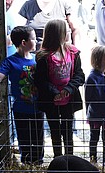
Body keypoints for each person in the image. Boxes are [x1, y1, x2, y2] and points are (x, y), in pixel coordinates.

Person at [0, 26, 44, 165]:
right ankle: (26, 162)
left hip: (38, 107)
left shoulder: (38, 58)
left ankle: (38, 162)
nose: (36, 41)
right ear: (24, 42)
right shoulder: (11, 61)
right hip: (21, 108)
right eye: (33, 38)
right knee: (24, 137)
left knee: (38, 137)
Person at [34, 19, 85, 158]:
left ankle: (69, 159)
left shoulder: (74, 53)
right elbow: (40, 80)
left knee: (68, 130)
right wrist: (55, 92)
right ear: (58, 34)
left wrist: (68, 89)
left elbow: (80, 75)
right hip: (51, 100)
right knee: (55, 130)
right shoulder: (43, 56)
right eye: (66, 30)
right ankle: (58, 160)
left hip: (69, 99)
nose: (69, 31)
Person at [84, 45, 105, 167]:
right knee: (94, 137)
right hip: (95, 114)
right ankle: (93, 160)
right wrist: (88, 113)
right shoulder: (92, 78)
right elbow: (87, 98)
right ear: (98, 60)